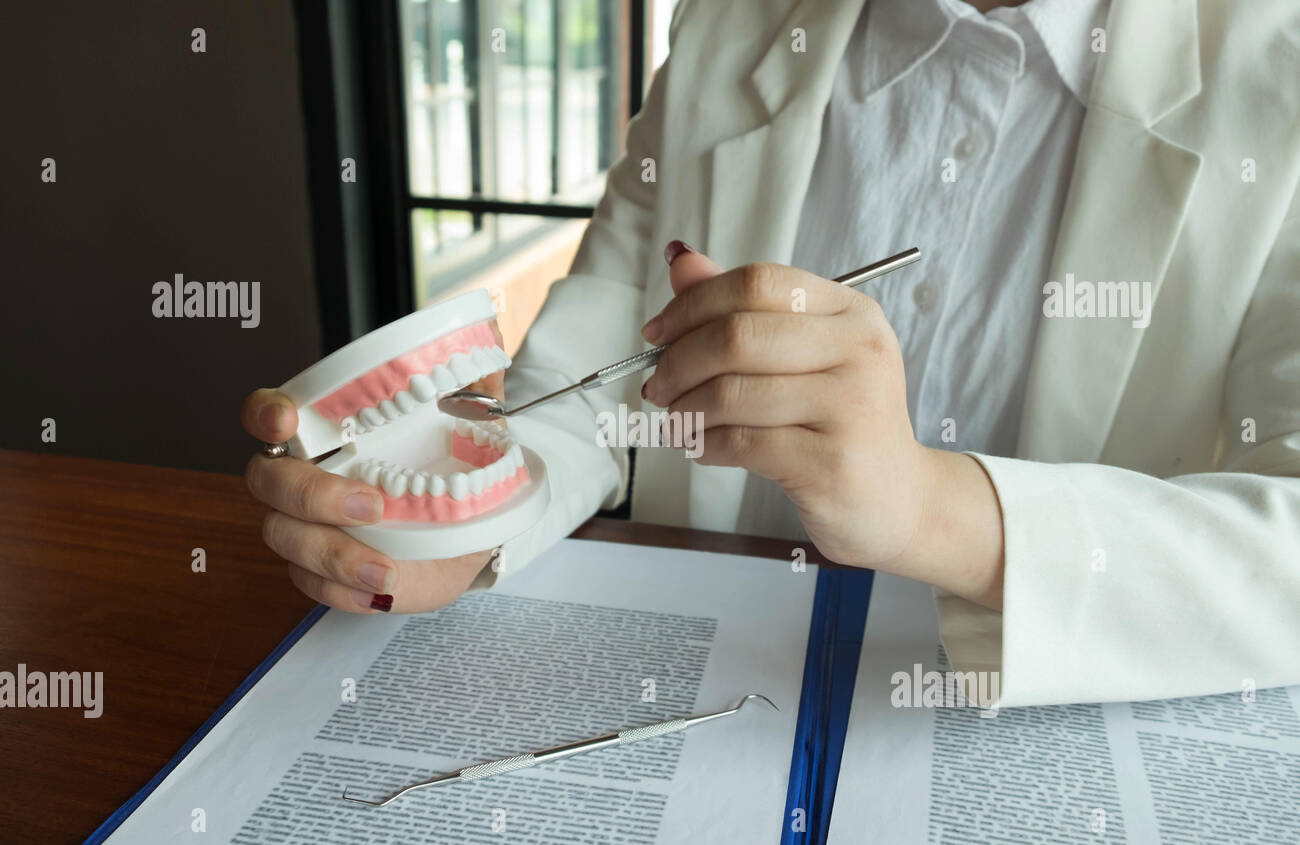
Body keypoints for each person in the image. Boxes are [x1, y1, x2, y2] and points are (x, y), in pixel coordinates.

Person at [242, 0, 1300, 707]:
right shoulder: (735, 21)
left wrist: (929, 506)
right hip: (696, 692)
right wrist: (476, 520)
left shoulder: (1279, 76)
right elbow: (606, 353)